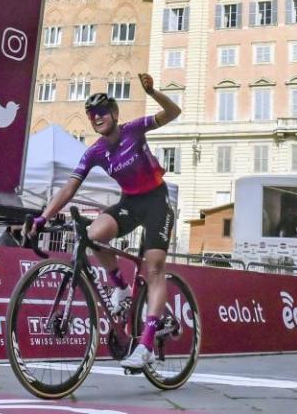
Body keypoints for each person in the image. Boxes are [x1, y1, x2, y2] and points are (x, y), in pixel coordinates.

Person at [26, 73, 181, 370]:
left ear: (114, 114)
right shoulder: (95, 151)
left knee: (154, 268)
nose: (96, 118)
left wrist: (153, 93)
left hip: (157, 202)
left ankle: (146, 346)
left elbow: (173, 113)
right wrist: (44, 215)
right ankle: (120, 286)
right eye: (91, 115)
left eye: (102, 112)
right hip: (131, 203)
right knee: (93, 234)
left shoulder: (134, 130)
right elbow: (70, 187)